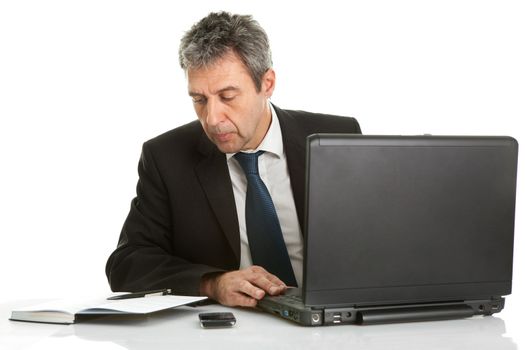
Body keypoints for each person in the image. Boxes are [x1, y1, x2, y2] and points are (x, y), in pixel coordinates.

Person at [106, 11, 361, 307]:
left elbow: (379, 240)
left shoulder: (337, 136)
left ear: (267, 83)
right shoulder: (166, 157)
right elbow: (127, 264)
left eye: (227, 96)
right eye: (199, 100)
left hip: (334, 323)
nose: (212, 119)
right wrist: (212, 282)